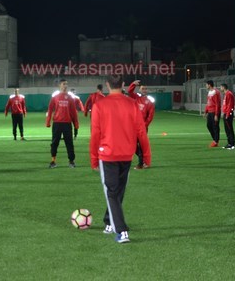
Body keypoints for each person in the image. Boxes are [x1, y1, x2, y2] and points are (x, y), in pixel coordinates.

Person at [90, 74, 152, 243]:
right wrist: (146, 156)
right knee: (118, 191)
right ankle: (109, 222)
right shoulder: (133, 104)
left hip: (108, 155)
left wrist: (94, 158)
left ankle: (121, 231)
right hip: (126, 154)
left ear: (107, 85)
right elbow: (142, 132)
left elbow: (95, 134)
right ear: (123, 84)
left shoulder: (99, 105)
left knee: (111, 192)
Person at [45, 79, 79, 168]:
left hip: (67, 123)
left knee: (69, 143)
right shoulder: (55, 97)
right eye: (64, 84)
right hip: (57, 123)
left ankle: (71, 161)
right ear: (60, 85)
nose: (65, 86)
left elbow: (73, 112)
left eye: (66, 84)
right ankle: (53, 161)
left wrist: (76, 123)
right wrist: (48, 121)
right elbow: (50, 109)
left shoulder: (70, 98)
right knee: (54, 143)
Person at [127, 79, 155, 169]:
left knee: (143, 145)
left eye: (145, 89)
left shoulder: (149, 101)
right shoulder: (136, 98)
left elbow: (150, 116)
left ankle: (141, 163)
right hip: (133, 126)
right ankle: (142, 160)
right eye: (142, 88)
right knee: (133, 145)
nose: (144, 90)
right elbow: (129, 91)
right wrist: (133, 84)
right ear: (139, 89)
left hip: (142, 127)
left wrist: (145, 125)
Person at [204, 80, 221, 147]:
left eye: (206, 85)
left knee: (215, 127)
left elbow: (217, 104)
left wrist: (216, 114)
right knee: (209, 125)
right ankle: (214, 139)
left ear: (209, 85)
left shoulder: (216, 92)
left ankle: (216, 141)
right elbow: (208, 103)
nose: (206, 86)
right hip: (210, 112)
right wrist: (206, 112)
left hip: (214, 112)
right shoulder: (209, 92)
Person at [220, 83, 235, 149]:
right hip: (226, 113)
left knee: (229, 129)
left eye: (221, 87)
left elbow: (230, 105)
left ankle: (232, 144)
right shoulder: (226, 94)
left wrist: (227, 114)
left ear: (224, 87)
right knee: (227, 129)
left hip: (228, 114)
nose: (220, 88)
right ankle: (229, 143)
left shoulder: (229, 94)